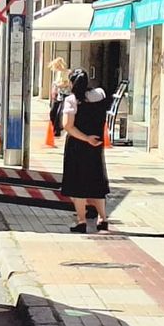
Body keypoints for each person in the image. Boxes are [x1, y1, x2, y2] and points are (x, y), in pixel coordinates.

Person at [60, 68, 110, 233]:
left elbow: (68, 126)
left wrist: (86, 138)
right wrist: (92, 138)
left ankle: (81, 221)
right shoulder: (100, 94)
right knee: (96, 181)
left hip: (78, 146)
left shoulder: (71, 101)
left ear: (72, 83)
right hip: (97, 145)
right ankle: (103, 219)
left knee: (77, 184)